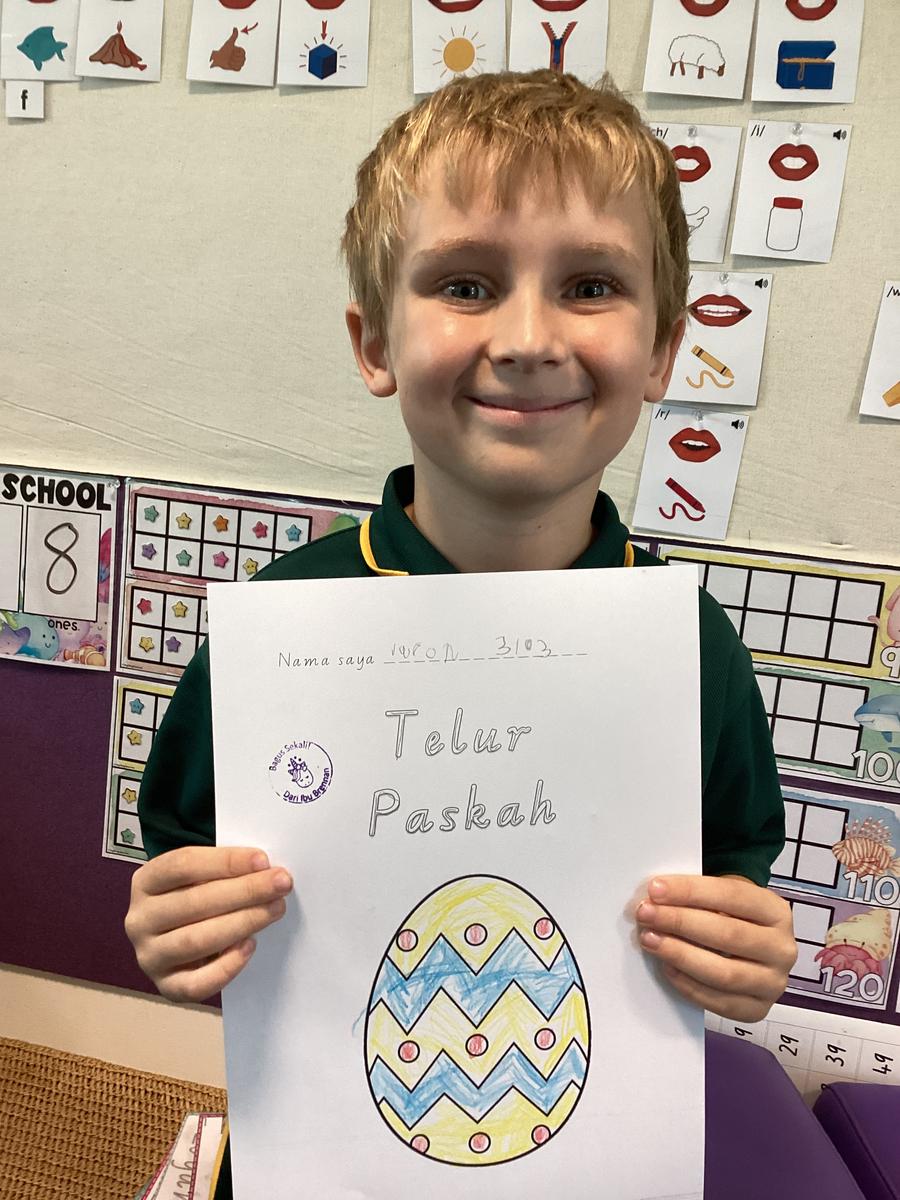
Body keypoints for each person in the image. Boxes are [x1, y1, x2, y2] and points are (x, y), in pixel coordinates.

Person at [126, 68, 796, 1195]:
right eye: (467, 284)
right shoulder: (281, 631)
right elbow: (185, 873)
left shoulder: (690, 646)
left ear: (663, 350)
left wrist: (745, 956)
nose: (529, 337)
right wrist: (178, 934)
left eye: (590, 284)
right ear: (374, 343)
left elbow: (734, 885)